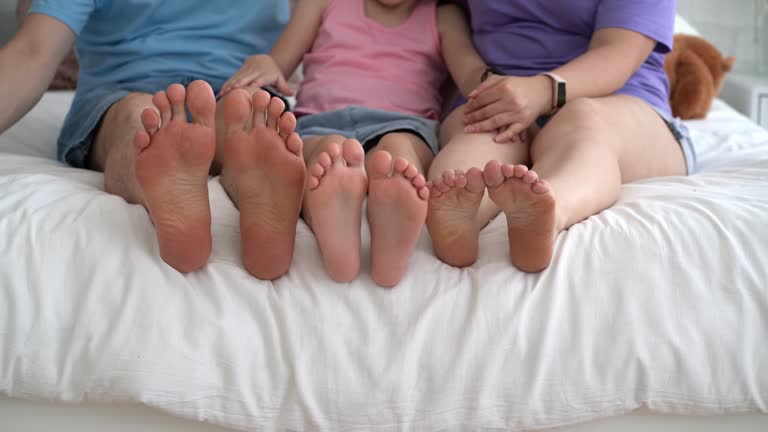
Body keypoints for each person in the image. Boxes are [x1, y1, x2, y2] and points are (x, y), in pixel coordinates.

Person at [0, 0, 307, 280]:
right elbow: (32, 53)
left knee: (249, 114)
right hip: (120, 93)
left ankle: (251, 185)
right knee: (139, 119)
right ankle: (173, 181)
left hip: (237, 90)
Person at [426, 0, 696, 273]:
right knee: (476, 137)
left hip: (615, 98)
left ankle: (550, 209)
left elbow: (619, 49)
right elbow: (448, 10)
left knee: (586, 123)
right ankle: (459, 216)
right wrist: (479, 79)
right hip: (500, 92)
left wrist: (543, 91)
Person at [224, 0, 478, 287]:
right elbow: (277, 65)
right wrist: (264, 64)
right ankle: (323, 214)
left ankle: (390, 234)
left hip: (404, 125)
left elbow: (470, 74)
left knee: (398, 156)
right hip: (318, 122)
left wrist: (495, 85)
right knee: (319, 154)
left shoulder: (443, 16)